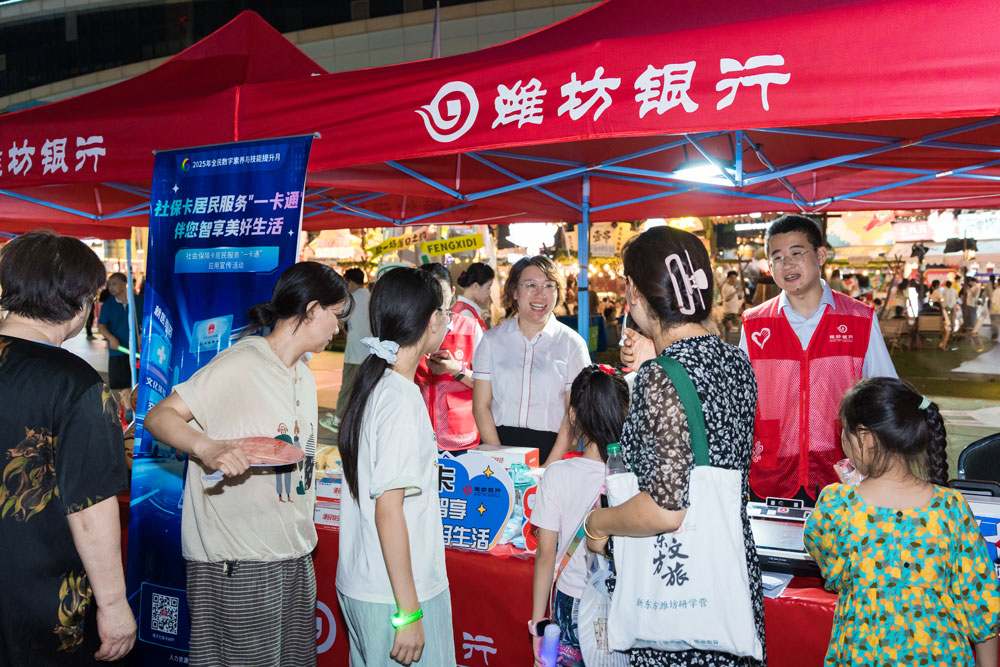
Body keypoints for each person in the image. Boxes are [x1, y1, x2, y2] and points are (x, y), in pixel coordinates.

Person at [143, 261, 351, 666]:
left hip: (293, 555)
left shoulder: (302, 374)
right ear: (311, 310)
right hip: (239, 563)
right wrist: (208, 448)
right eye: (336, 316)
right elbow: (158, 417)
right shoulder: (241, 364)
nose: (338, 329)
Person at [583, 225, 765, 667]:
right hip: (729, 579)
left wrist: (597, 522)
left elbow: (666, 509)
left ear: (637, 294)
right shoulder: (734, 358)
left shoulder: (659, 376)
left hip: (677, 601)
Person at [0, 231, 136, 664]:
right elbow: (91, 508)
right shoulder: (74, 383)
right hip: (38, 598)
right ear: (80, 301)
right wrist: (114, 606)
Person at [804, 377, 999, 666]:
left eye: (844, 431)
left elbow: (836, 577)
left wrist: (851, 488)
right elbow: (982, 610)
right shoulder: (952, 508)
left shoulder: (836, 505)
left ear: (865, 437)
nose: (842, 440)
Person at [336, 268, 455, 667]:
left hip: (367, 582)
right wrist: (410, 613)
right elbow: (389, 510)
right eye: (444, 312)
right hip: (396, 594)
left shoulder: (374, 385)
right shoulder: (400, 399)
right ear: (432, 321)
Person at [739, 215, 897, 502]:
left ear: (821, 255)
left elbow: (886, 394)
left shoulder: (858, 318)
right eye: (777, 257)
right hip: (770, 471)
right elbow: (741, 399)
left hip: (841, 469)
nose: (787, 264)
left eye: (797, 253)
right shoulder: (754, 323)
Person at [530, 364, 629, 667]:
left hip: (570, 601)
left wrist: (538, 626)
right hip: (621, 600)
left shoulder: (557, 475)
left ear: (573, 416)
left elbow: (546, 555)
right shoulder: (635, 478)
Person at [472, 256, 591, 465]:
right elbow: (481, 405)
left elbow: (574, 412)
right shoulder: (491, 340)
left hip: (552, 449)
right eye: (531, 285)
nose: (540, 294)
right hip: (497, 443)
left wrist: (547, 466)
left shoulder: (572, 344)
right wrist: (500, 459)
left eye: (548, 286)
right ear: (515, 292)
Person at [415, 263, 483, 450]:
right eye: (428, 294)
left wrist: (455, 370)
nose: (435, 302)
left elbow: (486, 387)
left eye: (441, 294)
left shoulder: (470, 328)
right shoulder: (409, 330)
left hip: (460, 437)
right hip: (415, 434)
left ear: (452, 292)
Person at [332, 268, 372, 433]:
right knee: (365, 389)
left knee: (347, 387)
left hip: (354, 353)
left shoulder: (351, 300)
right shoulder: (372, 297)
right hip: (371, 354)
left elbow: (340, 319)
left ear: (350, 282)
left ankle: (338, 419)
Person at [96, 272, 142, 399]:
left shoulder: (137, 301)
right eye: (109, 284)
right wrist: (111, 338)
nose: (111, 287)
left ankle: (136, 409)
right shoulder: (108, 305)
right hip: (118, 350)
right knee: (124, 384)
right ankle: (127, 411)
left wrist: (141, 334)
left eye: (114, 284)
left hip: (137, 350)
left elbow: (146, 323)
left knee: (139, 382)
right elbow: (101, 326)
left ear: (124, 284)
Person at [454, 262, 494, 331]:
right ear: (476, 286)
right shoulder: (466, 313)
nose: (490, 292)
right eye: (488, 287)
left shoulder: (466, 309)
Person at [721, 270, 743, 335]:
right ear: (728, 278)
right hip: (729, 312)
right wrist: (735, 292)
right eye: (731, 278)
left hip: (733, 311)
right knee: (739, 326)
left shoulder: (731, 286)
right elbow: (727, 299)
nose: (733, 280)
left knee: (731, 329)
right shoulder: (726, 287)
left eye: (735, 278)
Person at [990, 276, 1000, 341]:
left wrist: (996, 309)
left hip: (995, 312)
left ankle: (994, 338)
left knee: (995, 325)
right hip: (998, 311)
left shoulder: (996, 291)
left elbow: (993, 302)